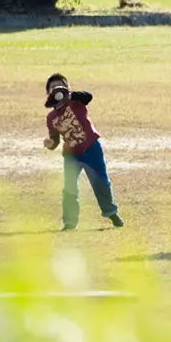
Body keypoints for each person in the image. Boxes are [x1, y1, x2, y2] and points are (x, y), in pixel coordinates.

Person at [43, 73, 124, 231]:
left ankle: (111, 212)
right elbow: (55, 139)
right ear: (48, 93)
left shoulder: (77, 102)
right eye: (53, 88)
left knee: (101, 183)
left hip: (92, 149)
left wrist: (69, 95)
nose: (57, 90)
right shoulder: (51, 117)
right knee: (69, 188)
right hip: (71, 155)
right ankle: (70, 222)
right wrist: (51, 143)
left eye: (61, 87)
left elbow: (89, 96)